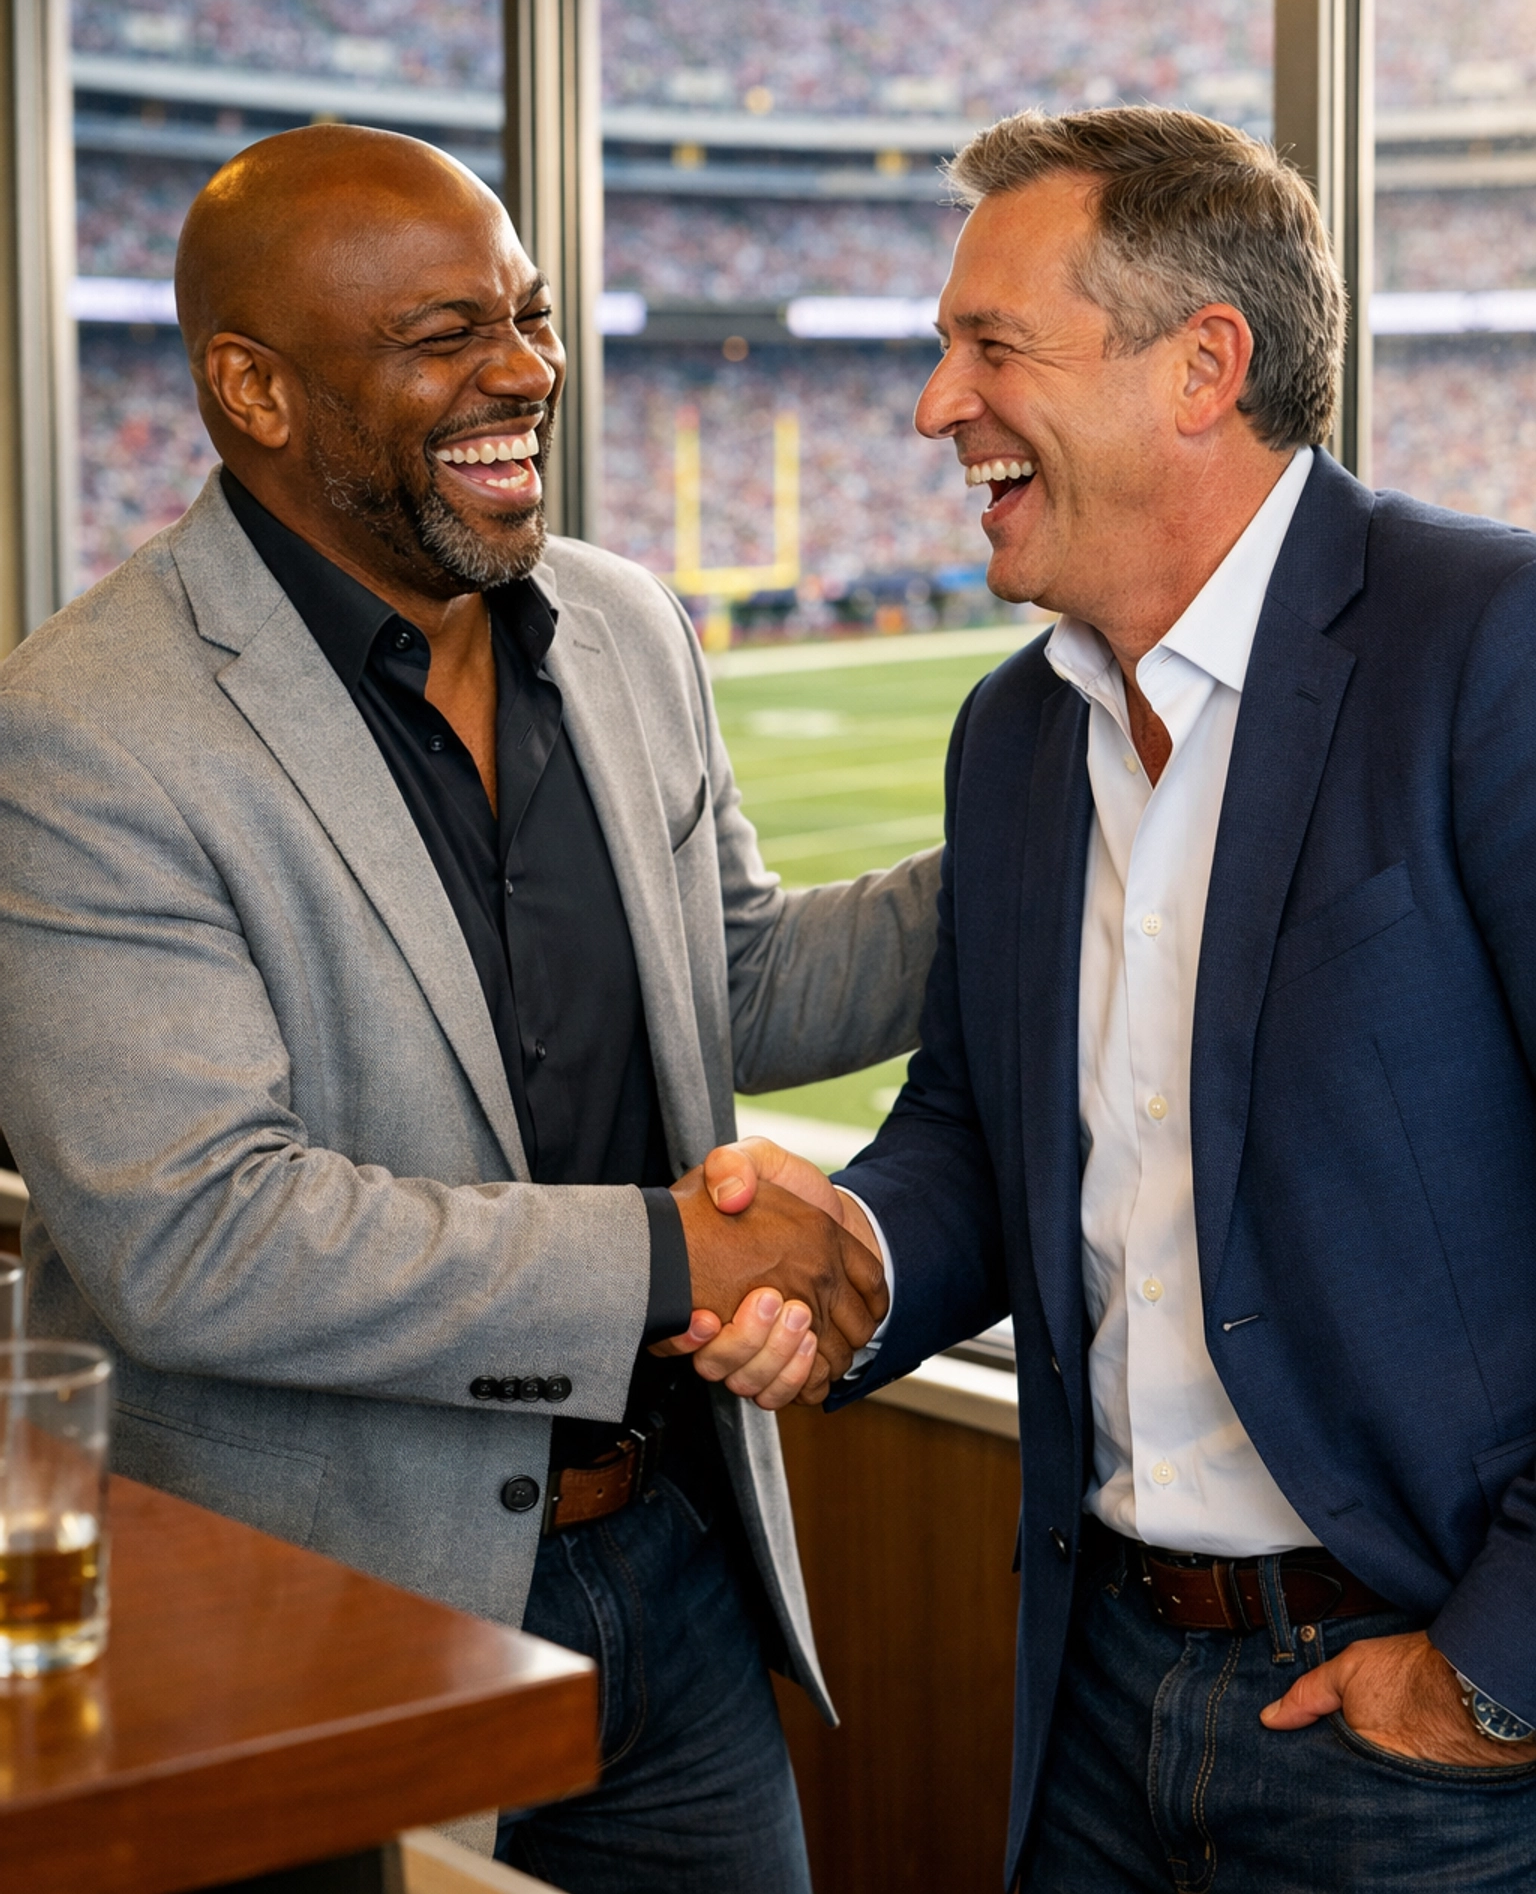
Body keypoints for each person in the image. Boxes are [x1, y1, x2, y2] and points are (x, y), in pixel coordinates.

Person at [0, 125, 939, 1894]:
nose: (527, 371)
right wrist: (672, 1260)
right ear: (254, 390)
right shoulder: (80, 732)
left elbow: (730, 980)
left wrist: (1066, 835)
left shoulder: (621, 621)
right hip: (326, 1614)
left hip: (674, 1556)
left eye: (528, 312)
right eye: (445, 335)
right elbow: (197, 1237)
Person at [694, 107, 1536, 1891]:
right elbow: (977, 1133)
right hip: (1100, 1686)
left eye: (990, 346)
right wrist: (852, 1257)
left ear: (1201, 367)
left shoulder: (1488, 645)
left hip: (1421, 1737)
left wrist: (1495, 1678)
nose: (936, 404)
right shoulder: (1014, 735)